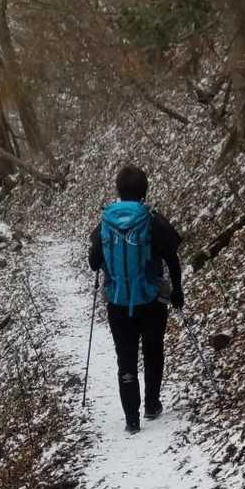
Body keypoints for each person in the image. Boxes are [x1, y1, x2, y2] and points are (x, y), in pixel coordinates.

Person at [88, 164, 184, 434]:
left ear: (118, 190)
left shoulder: (105, 223)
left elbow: (93, 263)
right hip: (151, 301)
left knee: (126, 359)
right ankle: (152, 405)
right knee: (153, 351)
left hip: (118, 302)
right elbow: (172, 258)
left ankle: (131, 419)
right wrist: (177, 291)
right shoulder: (153, 220)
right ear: (144, 190)